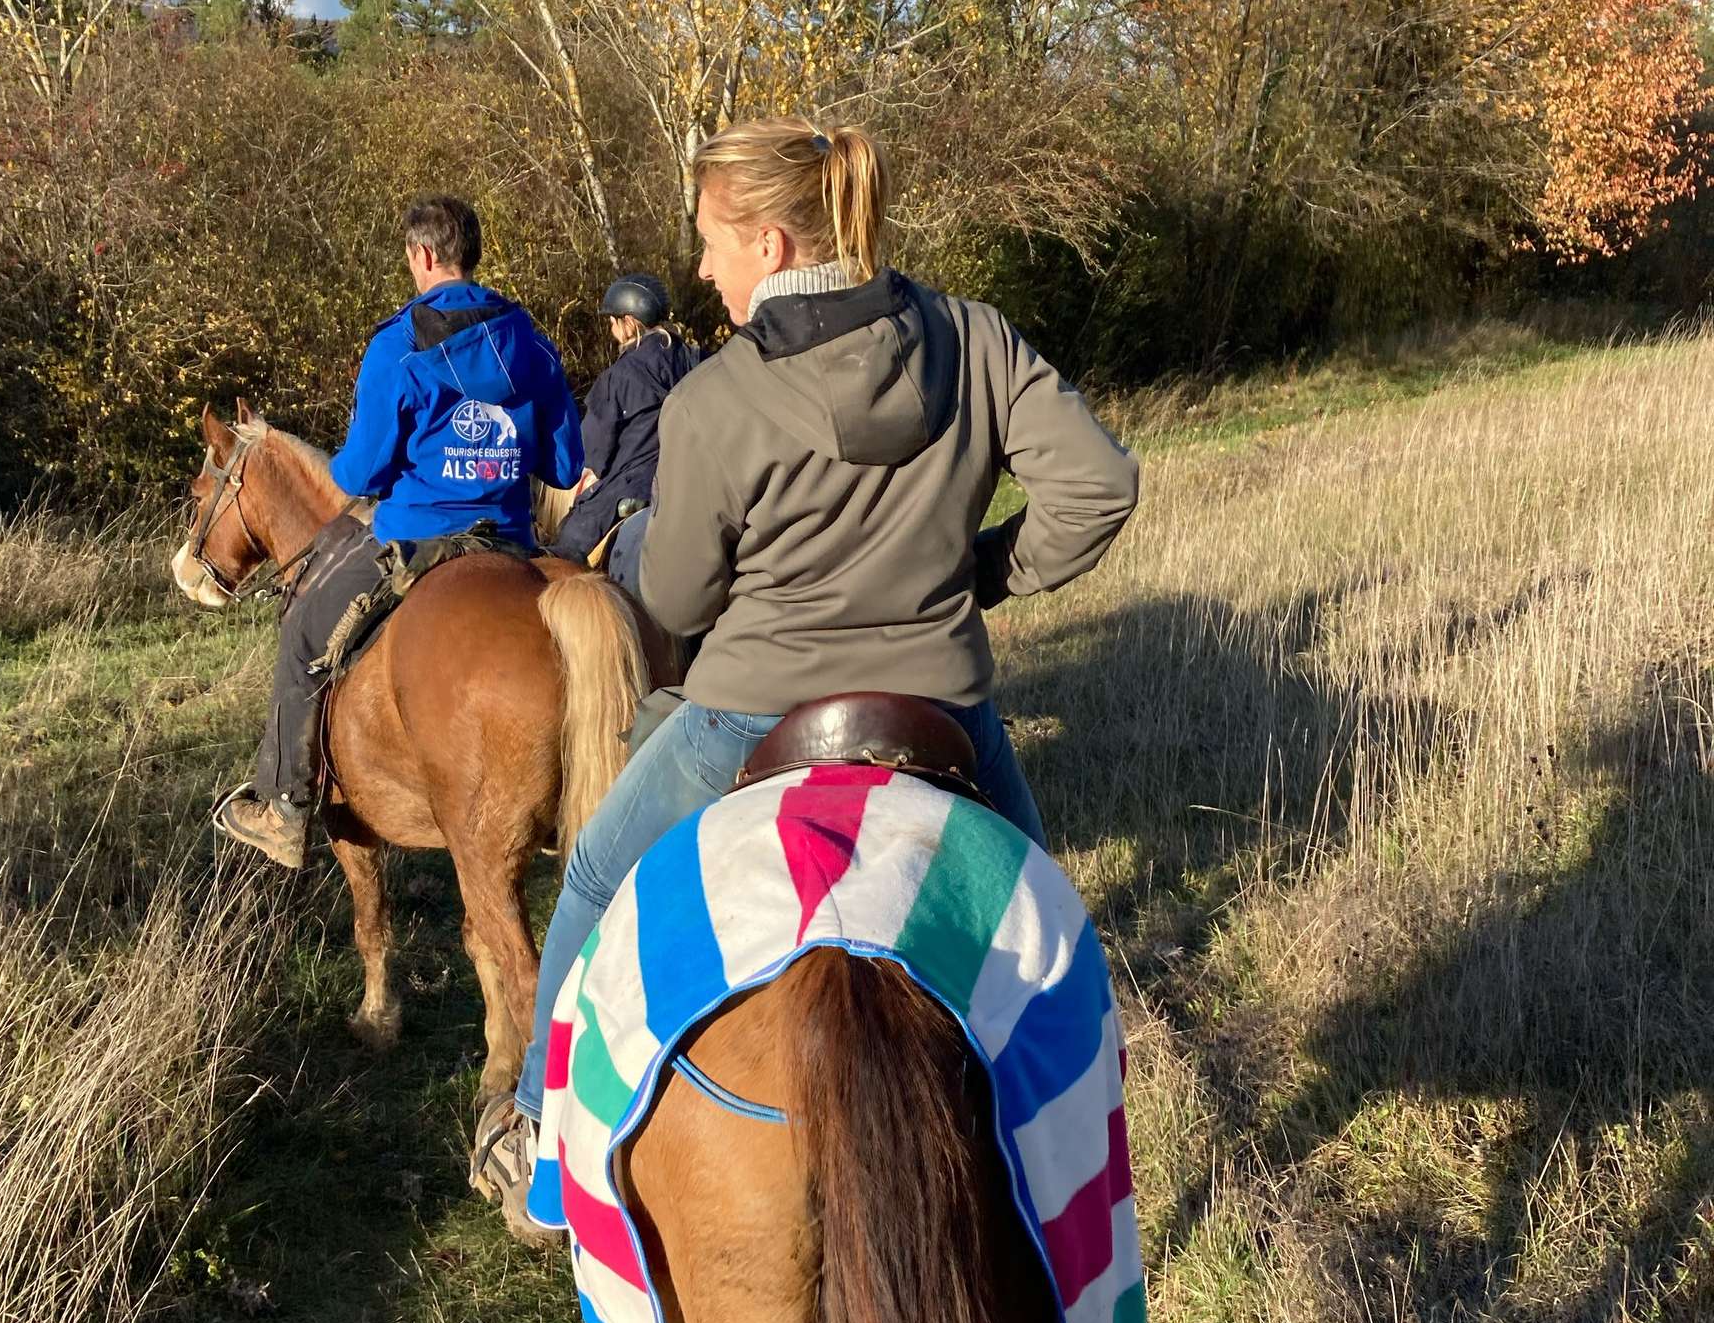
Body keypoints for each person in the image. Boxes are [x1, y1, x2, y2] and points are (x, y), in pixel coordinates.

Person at [472, 115, 1140, 1232]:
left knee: (589, 874)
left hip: (749, 715)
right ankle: (1075, 1167)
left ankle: (543, 1137)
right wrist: (977, 573)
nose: (701, 268)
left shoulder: (714, 399)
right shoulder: (976, 339)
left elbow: (677, 603)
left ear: (769, 245)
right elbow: (1099, 489)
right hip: (942, 710)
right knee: (1049, 941)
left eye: (709, 242)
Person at [215, 193, 585, 870]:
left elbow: (359, 473)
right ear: (471, 253)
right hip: (511, 540)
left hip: (417, 540)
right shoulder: (529, 341)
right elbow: (564, 465)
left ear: (421, 255)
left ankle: (284, 807)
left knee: (303, 635)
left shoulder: (398, 343)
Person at [549, 273, 700, 567]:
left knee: (565, 552)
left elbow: (594, 455)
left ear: (628, 322)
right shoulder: (696, 360)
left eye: (612, 321)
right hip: (690, 480)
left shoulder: (618, 376)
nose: (611, 329)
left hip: (635, 487)